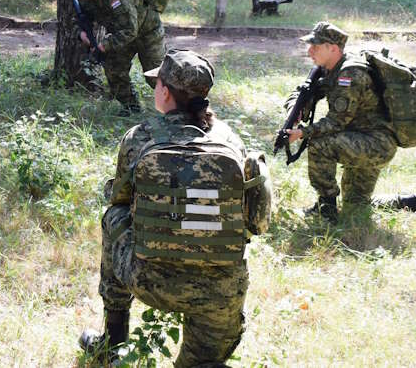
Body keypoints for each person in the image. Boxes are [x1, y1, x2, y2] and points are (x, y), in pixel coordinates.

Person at [80, 49, 272, 367]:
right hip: (219, 292)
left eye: (157, 84)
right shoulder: (231, 141)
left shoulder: (139, 138)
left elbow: (120, 200)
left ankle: (113, 343)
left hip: (148, 279)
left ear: (165, 92)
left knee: (113, 216)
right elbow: (253, 224)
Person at [285, 22, 416, 221]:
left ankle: (326, 209)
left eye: (315, 46)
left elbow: (335, 123)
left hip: (375, 144)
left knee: (319, 144)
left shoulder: (349, 75)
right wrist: (294, 110)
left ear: (332, 48)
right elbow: (304, 93)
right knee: (356, 204)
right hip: (366, 139)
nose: (309, 51)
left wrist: (302, 133)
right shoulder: (333, 69)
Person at [66, 0, 166, 115]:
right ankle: (131, 107)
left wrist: (103, 45)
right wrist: (81, 34)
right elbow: (75, 21)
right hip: (123, 36)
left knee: (155, 77)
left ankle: (182, 107)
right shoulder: (87, 1)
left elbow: (129, 31)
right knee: (113, 66)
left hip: (148, 34)